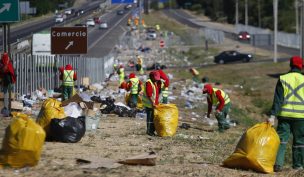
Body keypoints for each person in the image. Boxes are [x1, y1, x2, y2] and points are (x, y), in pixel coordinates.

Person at [269, 56, 304, 172]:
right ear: (301, 66)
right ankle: (298, 166)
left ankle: (278, 164)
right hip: (301, 118)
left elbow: (278, 100)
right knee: (299, 142)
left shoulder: (283, 79)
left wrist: (272, 115)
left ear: (290, 65)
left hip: (284, 116)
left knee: (281, 140)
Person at [142, 71, 161, 136]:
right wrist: (153, 102)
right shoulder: (149, 83)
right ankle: (149, 131)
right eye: (155, 78)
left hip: (153, 104)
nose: (156, 80)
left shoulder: (154, 82)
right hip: (149, 104)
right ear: (152, 77)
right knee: (150, 118)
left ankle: (152, 130)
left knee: (153, 117)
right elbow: (149, 94)